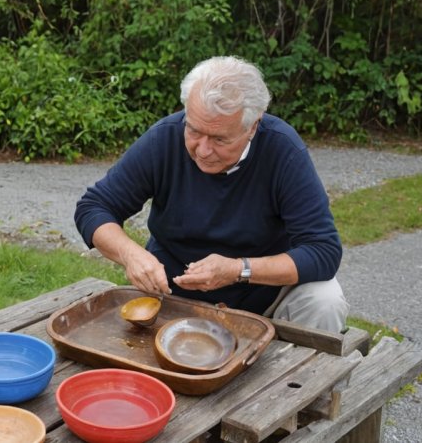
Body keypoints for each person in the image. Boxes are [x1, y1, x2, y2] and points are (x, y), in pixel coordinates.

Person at [75, 56, 349, 333]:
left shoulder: (283, 151)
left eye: (220, 139)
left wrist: (238, 270)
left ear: (253, 125)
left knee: (325, 300)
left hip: (263, 295)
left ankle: (309, 375)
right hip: (172, 292)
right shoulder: (164, 139)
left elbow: (323, 251)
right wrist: (130, 254)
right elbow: (94, 207)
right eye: (193, 130)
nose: (202, 150)